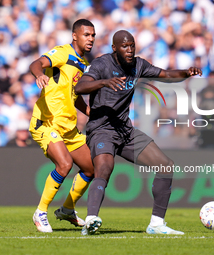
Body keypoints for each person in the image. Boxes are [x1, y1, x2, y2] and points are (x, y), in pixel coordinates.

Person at [75, 30, 202, 235]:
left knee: (166, 165)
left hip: (125, 130)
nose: (130, 50)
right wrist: (104, 82)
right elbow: (80, 87)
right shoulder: (101, 64)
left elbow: (166, 74)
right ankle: (91, 220)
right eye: (125, 46)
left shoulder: (138, 65)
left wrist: (186, 73)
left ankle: (156, 224)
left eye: (132, 45)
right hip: (102, 129)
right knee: (105, 168)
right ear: (114, 48)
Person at [29, 19, 96, 233]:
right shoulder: (62, 53)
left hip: (69, 128)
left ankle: (67, 209)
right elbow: (36, 63)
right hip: (46, 123)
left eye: (93, 35)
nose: (91, 39)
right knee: (65, 165)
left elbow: (73, 96)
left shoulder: (83, 63)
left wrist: (89, 112)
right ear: (75, 35)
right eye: (87, 34)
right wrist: (39, 74)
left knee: (91, 168)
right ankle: (40, 212)